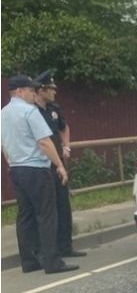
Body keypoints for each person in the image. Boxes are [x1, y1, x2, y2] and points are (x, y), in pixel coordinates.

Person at [0, 75, 79, 274]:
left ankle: (29, 261)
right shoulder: (30, 111)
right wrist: (59, 165)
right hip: (36, 168)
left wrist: (11, 162)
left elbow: (4, 144)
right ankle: (52, 262)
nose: (33, 93)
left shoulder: (4, 113)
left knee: (25, 216)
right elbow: (44, 142)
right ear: (19, 91)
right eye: (30, 90)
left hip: (17, 169)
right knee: (47, 215)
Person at [33, 70, 86, 258]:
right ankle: (49, 248)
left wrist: (67, 147)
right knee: (48, 207)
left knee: (63, 205)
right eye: (51, 89)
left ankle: (65, 246)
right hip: (41, 163)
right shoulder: (31, 111)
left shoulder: (54, 108)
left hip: (58, 162)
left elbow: (64, 127)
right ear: (40, 90)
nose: (55, 92)